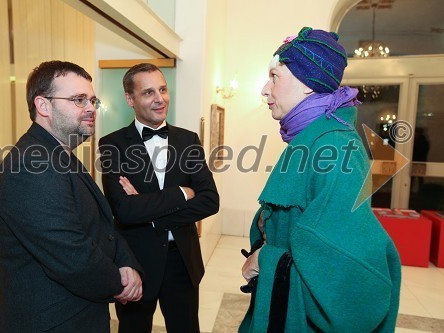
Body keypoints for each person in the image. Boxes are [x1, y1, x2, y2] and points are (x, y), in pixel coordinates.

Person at [239, 27, 401, 332]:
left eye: (274, 76)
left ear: (308, 85)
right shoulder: (311, 139)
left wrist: (267, 261)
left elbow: (349, 275)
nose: (264, 89)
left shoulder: (335, 148)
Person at [0, 60, 143, 333]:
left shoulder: (58, 154)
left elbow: (100, 226)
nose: (91, 108)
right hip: (52, 320)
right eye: (78, 99)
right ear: (43, 106)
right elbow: (71, 256)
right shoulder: (31, 165)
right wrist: (120, 283)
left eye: (92, 100)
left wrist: (127, 262)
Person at [98, 63, 219, 333]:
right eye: (148, 92)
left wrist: (150, 212)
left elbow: (210, 200)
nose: (159, 98)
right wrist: (180, 194)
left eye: (163, 90)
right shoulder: (112, 145)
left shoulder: (188, 140)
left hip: (182, 262)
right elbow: (124, 211)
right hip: (137, 262)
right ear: (130, 99)